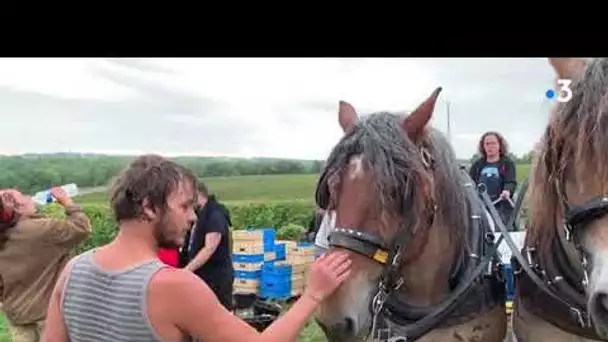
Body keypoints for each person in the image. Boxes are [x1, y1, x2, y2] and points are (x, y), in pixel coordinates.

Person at [42, 154, 352, 342]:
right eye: (185, 206)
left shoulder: (73, 270)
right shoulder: (173, 286)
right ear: (149, 207)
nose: (193, 217)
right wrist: (313, 293)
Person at [0, 187, 91, 342]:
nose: (29, 197)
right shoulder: (41, 229)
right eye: (23, 195)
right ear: (18, 207)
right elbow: (82, 227)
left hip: (18, 317)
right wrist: (67, 202)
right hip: (49, 315)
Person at [182, 183, 235, 310]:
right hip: (202, 276)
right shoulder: (199, 214)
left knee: (218, 314)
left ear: (198, 194)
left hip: (216, 277)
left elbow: (209, 248)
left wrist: (186, 270)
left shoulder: (215, 214)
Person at [469, 131, 518, 227]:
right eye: (487, 144)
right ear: (483, 146)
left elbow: (510, 182)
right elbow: (470, 183)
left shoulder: (507, 164)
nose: (490, 146)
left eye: (493, 143)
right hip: (481, 208)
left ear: (500, 145)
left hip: (501, 208)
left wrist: (507, 191)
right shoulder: (477, 165)